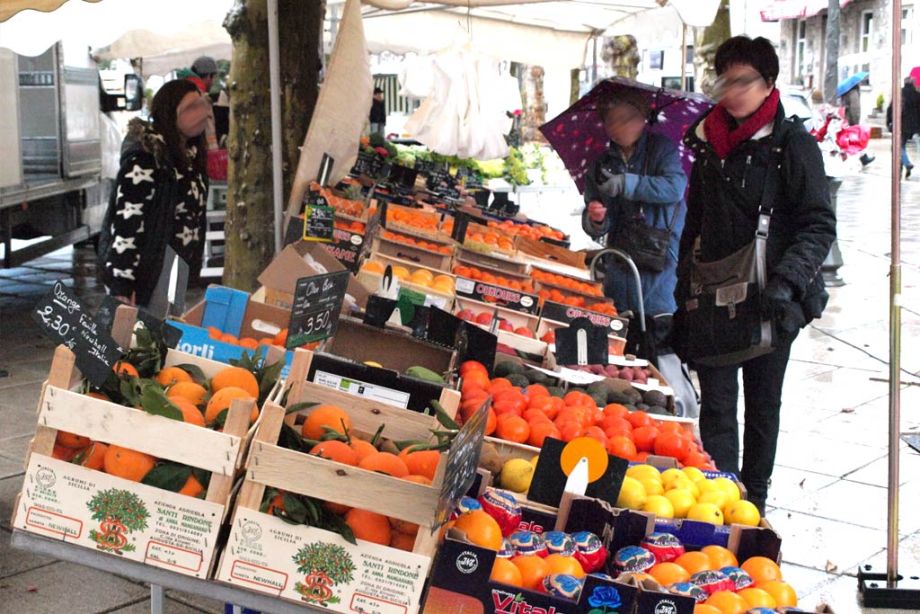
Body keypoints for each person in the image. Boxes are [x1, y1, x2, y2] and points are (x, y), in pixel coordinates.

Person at [677, 36, 835, 513]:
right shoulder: (706, 145)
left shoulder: (793, 145)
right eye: (726, 80)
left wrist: (788, 281)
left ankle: (756, 503)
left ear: (769, 84)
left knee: (764, 408)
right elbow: (694, 225)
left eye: (744, 80)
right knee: (718, 409)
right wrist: (679, 297)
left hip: (773, 300)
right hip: (714, 300)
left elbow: (818, 223)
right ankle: (725, 504)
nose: (733, 90)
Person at [97, 79, 210, 307]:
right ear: (170, 114)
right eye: (191, 107)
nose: (202, 113)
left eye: (201, 104)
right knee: (140, 338)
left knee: (165, 336)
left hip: (175, 269)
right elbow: (127, 223)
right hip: (146, 274)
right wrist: (121, 283)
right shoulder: (145, 160)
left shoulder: (188, 157)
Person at [581, 90, 687, 331]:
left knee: (656, 326)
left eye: (627, 118)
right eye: (611, 120)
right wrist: (596, 218)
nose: (619, 126)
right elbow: (595, 214)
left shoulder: (662, 149)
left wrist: (627, 183)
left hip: (660, 256)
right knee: (619, 323)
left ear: (643, 118)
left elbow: (674, 188)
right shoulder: (600, 163)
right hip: (621, 258)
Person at [887, 76, 920, 178]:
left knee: (898, 146)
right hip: (916, 126)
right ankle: (903, 165)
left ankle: (906, 163)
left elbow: (891, 109)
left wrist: (889, 122)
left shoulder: (900, 94)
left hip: (902, 125)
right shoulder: (918, 95)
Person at [840, 85, 874, 166]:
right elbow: (855, 108)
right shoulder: (853, 93)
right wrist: (855, 122)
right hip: (851, 120)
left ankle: (863, 158)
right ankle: (863, 158)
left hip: (846, 119)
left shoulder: (846, 92)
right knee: (857, 140)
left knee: (847, 140)